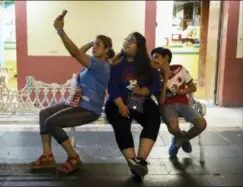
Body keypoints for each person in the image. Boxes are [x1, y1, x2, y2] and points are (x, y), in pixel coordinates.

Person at [30, 10, 115, 173]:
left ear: (107, 50)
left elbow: (75, 53)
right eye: (94, 44)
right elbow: (80, 53)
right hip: (77, 103)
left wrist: (60, 31)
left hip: (88, 109)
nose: (94, 47)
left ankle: (73, 157)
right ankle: (47, 156)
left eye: (99, 45)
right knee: (44, 114)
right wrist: (93, 42)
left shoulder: (101, 65)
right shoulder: (93, 63)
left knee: (51, 122)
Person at [105, 32, 161, 179]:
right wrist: (120, 105)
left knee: (154, 116)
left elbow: (156, 84)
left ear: (139, 47)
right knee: (120, 122)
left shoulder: (147, 65)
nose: (127, 42)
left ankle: (140, 161)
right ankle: (133, 162)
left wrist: (145, 90)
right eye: (126, 39)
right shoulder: (117, 64)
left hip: (140, 101)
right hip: (117, 101)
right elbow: (112, 87)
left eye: (132, 41)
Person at [150, 47, 207, 158]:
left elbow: (192, 88)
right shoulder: (154, 76)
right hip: (166, 105)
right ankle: (182, 139)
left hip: (183, 104)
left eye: (157, 57)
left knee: (202, 124)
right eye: (153, 58)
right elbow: (161, 101)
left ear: (166, 58)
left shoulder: (180, 69)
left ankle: (178, 141)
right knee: (174, 128)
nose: (154, 60)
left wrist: (181, 92)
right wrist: (165, 79)